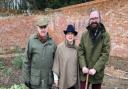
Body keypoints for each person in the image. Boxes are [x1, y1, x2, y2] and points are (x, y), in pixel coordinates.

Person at [78, 9, 111, 89]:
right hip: (85, 72)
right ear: (89, 20)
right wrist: (83, 66)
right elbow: (80, 51)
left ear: (99, 19)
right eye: (92, 19)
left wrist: (95, 69)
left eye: (96, 18)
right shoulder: (84, 35)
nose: (94, 20)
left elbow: (105, 54)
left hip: (97, 72)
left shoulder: (105, 35)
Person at [22, 16, 57, 89]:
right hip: (35, 82)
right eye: (41, 27)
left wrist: (55, 78)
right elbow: (26, 61)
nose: (43, 29)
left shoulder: (52, 43)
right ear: (37, 28)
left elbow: (56, 63)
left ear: (47, 27)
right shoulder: (31, 41)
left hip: (48, 81)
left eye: (45, 27)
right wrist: (27, 79)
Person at [52, 24, 79, 89]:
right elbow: (56, 63)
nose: (70, 35)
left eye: (72, 33)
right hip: (63, 80)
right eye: (68, 33)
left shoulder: (77, 49)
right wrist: (56, 79)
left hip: (74, 81)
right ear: (65, 35)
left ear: (74, 35)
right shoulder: (60, 48)